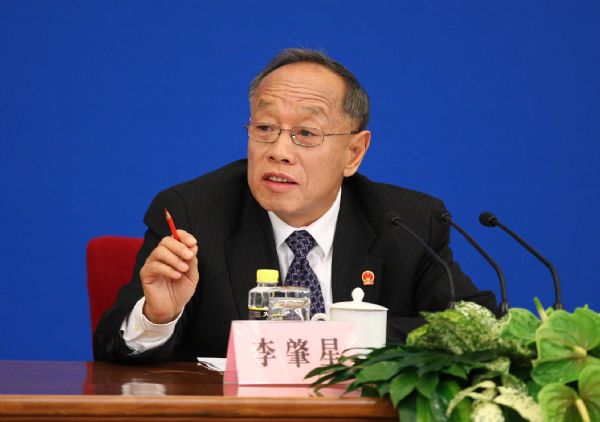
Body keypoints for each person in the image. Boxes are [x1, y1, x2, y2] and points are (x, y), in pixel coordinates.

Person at [94, 48, 496, 362]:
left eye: (306, 133)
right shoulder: (192, 214)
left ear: (354, 153)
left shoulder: (407, 222)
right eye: (265, 128)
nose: (279, 151)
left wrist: (340, 339)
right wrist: (157, 316)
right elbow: (112, 351)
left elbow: (476, 327)